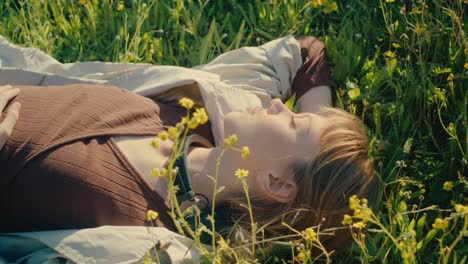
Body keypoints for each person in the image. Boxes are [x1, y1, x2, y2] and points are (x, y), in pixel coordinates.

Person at [0, 36, 376, 255]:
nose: (278, 106)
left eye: (292, 121)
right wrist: (322, 141)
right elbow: (306, 53)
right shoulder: (202, 110)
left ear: (276, 181)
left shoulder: (150, 242)